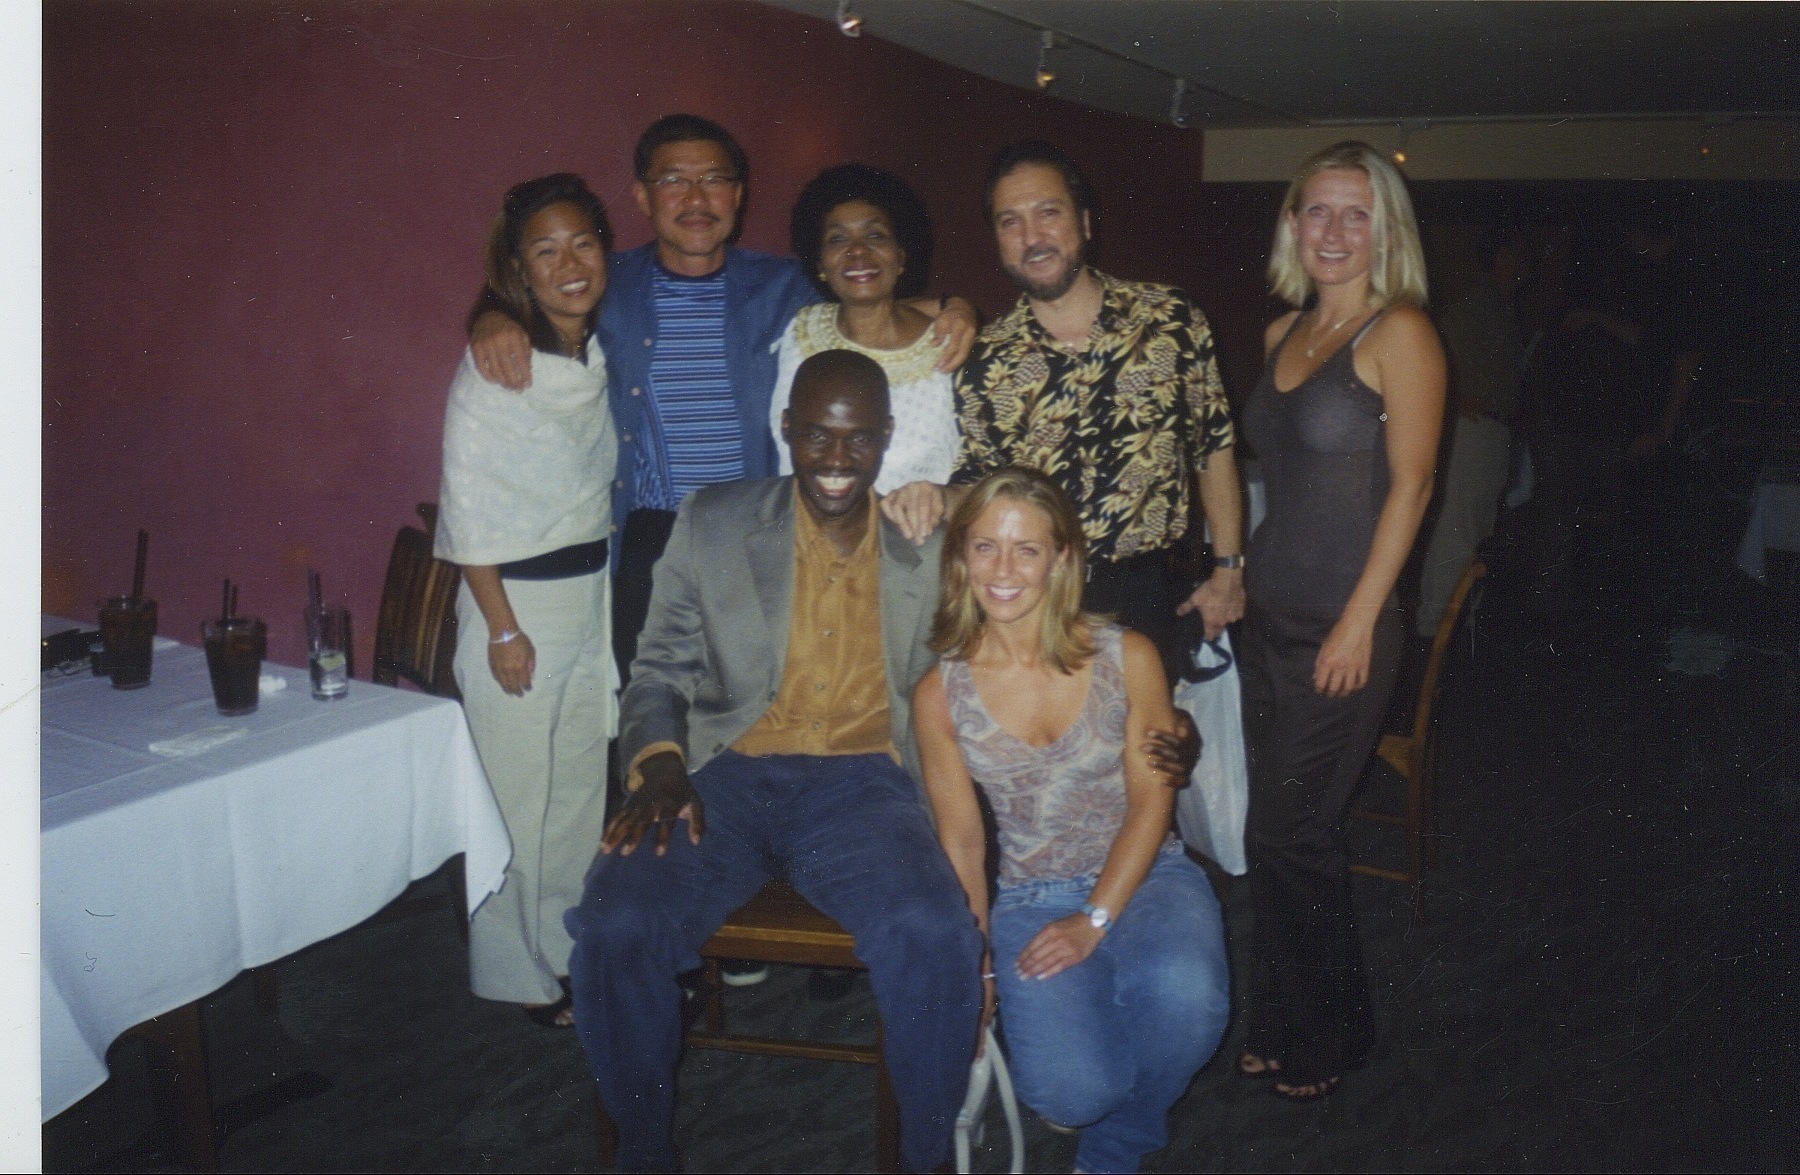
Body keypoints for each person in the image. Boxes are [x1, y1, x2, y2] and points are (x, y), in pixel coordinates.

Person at [563, 350, 983, 1174]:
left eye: (859, 439)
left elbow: (1033, 531)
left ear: (886, 439)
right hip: (723, 774)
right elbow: (657, 669)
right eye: (817, 435)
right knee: (615, 925)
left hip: (865, 784)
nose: (835, 460)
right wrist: (658, 764)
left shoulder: (925, 542)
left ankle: (927, 1159)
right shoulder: (714, 519)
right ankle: (645, 1154)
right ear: (786, 428)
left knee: (935, 933)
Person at [467, 116, 977, 690]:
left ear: (738, 194)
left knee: (753, 707)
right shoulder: (610, 282)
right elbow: (537, 289)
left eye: (713, 179)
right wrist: (490, 313)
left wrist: (958, 305)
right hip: (653, 539)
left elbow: (871, 293)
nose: (695, 198)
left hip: (757, 535)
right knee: (651, 707)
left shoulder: (787, 286)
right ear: (642, 195)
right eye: (673, 181)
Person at [914, 467, 1230, 1174]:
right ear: (959, 556)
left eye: (1027, 549)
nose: (1003, 569)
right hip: (1029, 895)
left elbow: (1153, 801)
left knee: (1191, 999)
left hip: (1147, 871)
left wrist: (1093, 920)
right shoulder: (940, 694)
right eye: (985, 546)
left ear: (1063, 559)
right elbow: (962, 844)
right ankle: (1111, 1078)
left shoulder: (1127, 655)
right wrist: (980, 967)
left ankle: (1121, 1143)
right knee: (1072, 1090)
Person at [1235, 141, 1445, 1099]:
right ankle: (1281, 1014)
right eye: (1315, 210)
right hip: (1267, 620)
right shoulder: (1282, 331)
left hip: (1342, 626)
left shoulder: (1399, 333)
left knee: (1294, 832)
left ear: (1385, 231)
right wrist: (1231, 573)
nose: (1332, 231)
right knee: (1268, 832)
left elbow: (1412, 486)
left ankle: (1339, 1028)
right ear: (1291, 223)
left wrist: (1361, 621)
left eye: (1355, 213)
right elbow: (1272, 481)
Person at [886, 141, 1246, 685]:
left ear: (1083, 220)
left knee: (1146, 758)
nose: (1032, 238)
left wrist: (1228, 570)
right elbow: (983, 481)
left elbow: (1213, 448)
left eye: (1047, 213)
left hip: (1153, 595)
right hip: (1040, 603)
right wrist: (936, 495)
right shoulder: (984, 360)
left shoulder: (1170, 321)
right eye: (1011, 223)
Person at [433, 173, 619, 1028]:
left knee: (579, 791)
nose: (568, 263)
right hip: (514, 604)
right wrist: (502, 628)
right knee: (517, 799)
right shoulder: (493, 370)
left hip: (589, 595)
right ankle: (514, 974)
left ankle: (570, 948)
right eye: (545, 250)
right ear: (519, 269)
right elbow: (467, 508)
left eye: (582, 241)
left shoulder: (591, 355)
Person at [770, 163, 957, 496]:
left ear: (900, 257)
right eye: (838, 238)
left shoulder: (950, 345)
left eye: (874, 235)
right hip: (803, 533)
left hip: (912, 542)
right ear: (821, 265)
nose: (857, 250)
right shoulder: (800, 332)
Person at [1416, 225, 1528, 637]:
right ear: (1497, 258)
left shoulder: (1503, 310)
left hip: (1495, 434)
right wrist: (1457, 402)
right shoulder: (1473, 308)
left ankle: (1460, 627)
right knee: (1457, 533)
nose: (1523, 267)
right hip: (1470, 433)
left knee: (1477, 532)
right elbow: (1431, 365)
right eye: (1515, 256)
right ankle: (1434, 631)